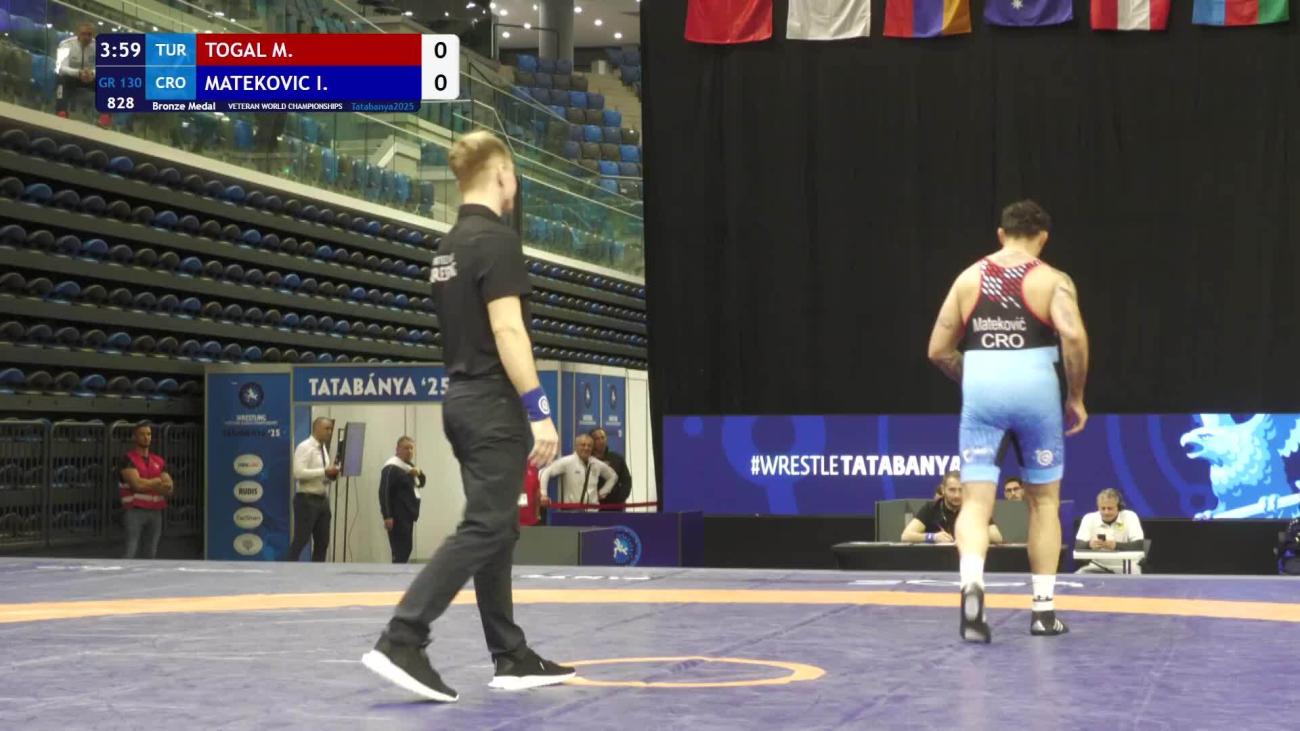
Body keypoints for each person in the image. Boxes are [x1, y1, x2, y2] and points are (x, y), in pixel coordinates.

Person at [362, 130, 574, 702]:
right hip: (492, 403)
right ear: (502, 173)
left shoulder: (448, 247)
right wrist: (540, 410)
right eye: (514, 177)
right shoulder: (498, 241)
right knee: (486, 525)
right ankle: (403, 637)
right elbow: (508, 330)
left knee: (497, 527)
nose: (515, 187)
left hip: (459, 399)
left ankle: (511, 655)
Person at [927, 200, 1089, 643]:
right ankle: (1043, 612)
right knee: (1045, 503)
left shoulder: (968, 278)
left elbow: (938, 350)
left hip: (984, 391)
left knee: (976, 503)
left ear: (1001, 234)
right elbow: (1073, 335)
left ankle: (972, 586)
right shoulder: (1052, 280)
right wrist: (1075, 395)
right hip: (1036, 391)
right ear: (1043, 238)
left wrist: (976, 376)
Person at [901, 470, 1004, 545]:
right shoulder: (931, 508)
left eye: (961, 490)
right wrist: (933, 537)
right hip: (937, 561)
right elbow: (906, 536)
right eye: (952, 490)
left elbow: (997, 537)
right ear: (943, 489)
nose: (957, 495)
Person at [287, 417, 339, 562]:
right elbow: (298, 473)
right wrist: (324, 471)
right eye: (326, 429)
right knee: (301, 540)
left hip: (322, 500)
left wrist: (330, 476)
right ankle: (286, 570)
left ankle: (317, 573)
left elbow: (322, 474)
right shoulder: (305, 447)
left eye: (331, 429)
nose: (329, 432)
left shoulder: (323, 448)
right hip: (307, 500)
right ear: (316, 428)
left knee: (323, 542)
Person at [118, 422, 173, 559]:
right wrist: (156, 482)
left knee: (151, 552)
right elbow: (136, 485)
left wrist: (146, 483)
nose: (146, 437)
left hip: (156, 512)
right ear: (134, 437)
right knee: (131, 549)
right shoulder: (128, 459)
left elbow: (169, 488)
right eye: (142, 434)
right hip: (134, 511)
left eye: (148, 434)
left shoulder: (159, 461)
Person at [539, 434, 618, 509]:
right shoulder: (567, 461)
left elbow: (613, 476)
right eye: (583, 445)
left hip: (593, 510)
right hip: (572, 511)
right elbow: (545, 472)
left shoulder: (596, 464)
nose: (586, 448)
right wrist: (543, 494)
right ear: (576, 447)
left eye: (589, 445)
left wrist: (602, 492)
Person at [1075, 489, 1146, 574]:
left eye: (1110, 508)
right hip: (1096, 566)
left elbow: (1139, 545)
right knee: (1077, 577)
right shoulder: (1089, 518)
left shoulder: (1130, 517)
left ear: (1119, 507)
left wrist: (1115, 545)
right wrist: (1089, 545)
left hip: (1127, 567)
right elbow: (1078, 546)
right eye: (1103, 508)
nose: (1106, 512)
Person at [379, 436, 426, 564]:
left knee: (407, 548)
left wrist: (419, 473)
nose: (409, 451)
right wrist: (387, 516)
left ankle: (399, 573)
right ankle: (396, 575)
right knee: (400, 550)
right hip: (397, 516)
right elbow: (384, 492)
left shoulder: (409, 466)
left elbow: (422, 483)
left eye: (411, 448)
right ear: (398, 449)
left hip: (408, 515)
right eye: (406, 448)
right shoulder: (391, 467)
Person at [54, 23, 108, 125]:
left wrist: (93, 73)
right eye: (83, 34)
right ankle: (61, 112)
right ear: (77, 34)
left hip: (90, 78)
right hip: (72, 77)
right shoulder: (66, 44)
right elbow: (61, 68)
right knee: (61, 80)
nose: (86, 37)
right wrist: (78, 73)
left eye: (89, 34)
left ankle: (105, 118)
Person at [590, 427, 633, 511]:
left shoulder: (617, 458)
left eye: (603, 437)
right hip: (593, 506)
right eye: (597, 439)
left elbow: (626, 481)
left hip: (615, 507)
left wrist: (620, 498)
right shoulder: (587, 460)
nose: (601, 441)